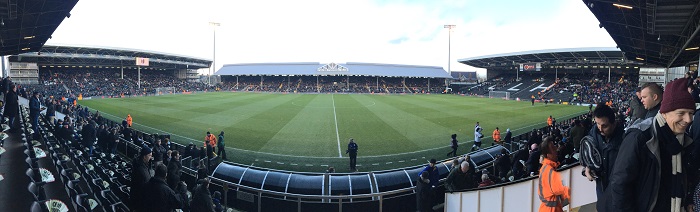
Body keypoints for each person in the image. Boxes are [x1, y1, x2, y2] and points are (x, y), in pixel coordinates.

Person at [608, 78, 695, 212]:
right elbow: (620, 185)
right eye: (681, 113)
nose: (688, 119)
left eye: (691, 113)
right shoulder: (639, 137)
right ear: (664, 113)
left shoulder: (685, 141)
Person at [581, 104, 624, 210]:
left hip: (618, 193)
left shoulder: (624, 139)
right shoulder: (593, 134)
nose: (600, 128)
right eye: (597, 124)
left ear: (614, 124)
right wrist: (587, 168)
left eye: (604, 126)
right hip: (601, 189)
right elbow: (590, 156)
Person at [538, 136, 570, 212]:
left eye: (555, 146)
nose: (556, 149)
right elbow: (564, 191)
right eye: (553, 148)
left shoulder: (545, 168)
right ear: (548, 155)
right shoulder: (550, 171)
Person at [130, 146, 153, 211]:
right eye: (149, 155)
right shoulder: (141, 169)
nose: (151, 158)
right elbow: (145, 183)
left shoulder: (140, 164)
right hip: (139, 198)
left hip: (137, 195)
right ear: (144, 156)